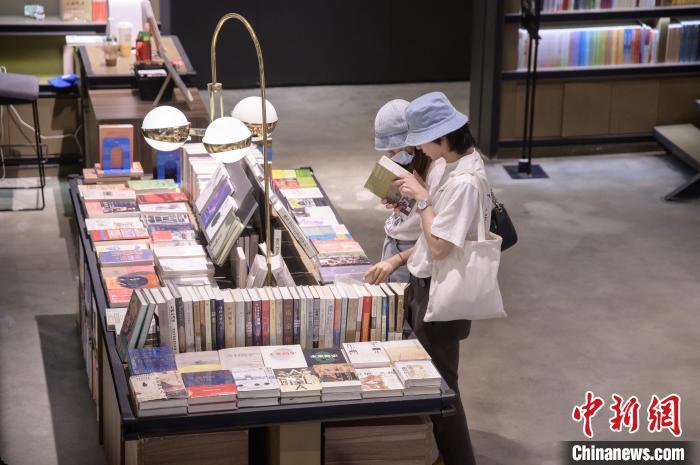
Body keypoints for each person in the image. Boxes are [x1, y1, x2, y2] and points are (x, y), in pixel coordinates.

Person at [365, 92, 490, 465]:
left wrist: (422, 199)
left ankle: (459, 457)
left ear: (442, 136)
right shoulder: (446, 166)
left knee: (442, 387)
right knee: (429, 379)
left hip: (442, 293)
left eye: (421, 140)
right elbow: (426, 235)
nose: (417, 148)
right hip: (425, 284)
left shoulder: (465, 180)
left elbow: (438, 247)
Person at [373, 99, 431, 283]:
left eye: (393, 150)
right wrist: (397, 200)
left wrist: (421, 194)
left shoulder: (435, 167)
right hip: (393, 241)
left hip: (413, 249)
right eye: (389, 152)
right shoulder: (406, 163)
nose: (392, 155)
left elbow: (437, 223)